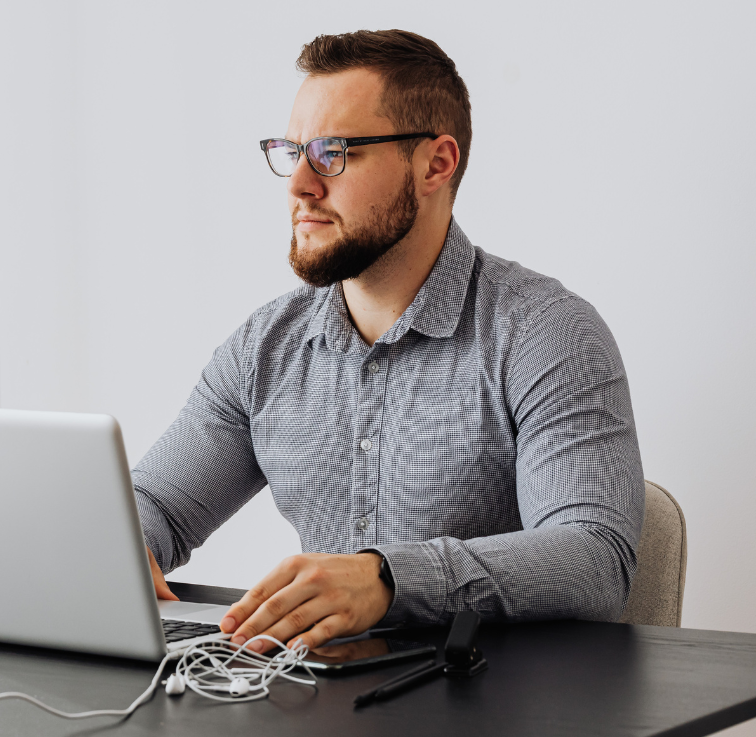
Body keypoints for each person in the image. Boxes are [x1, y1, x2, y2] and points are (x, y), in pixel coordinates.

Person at [135, 29, 643, 655]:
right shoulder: (263, 349)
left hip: (495, 704)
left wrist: (387, 578)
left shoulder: (545, 332)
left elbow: (595, 555)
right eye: (291, 150)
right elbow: (156, 501)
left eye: (333, 152)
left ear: (436, 164)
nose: (299, 183)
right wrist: (127, 541)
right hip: (311, 698)